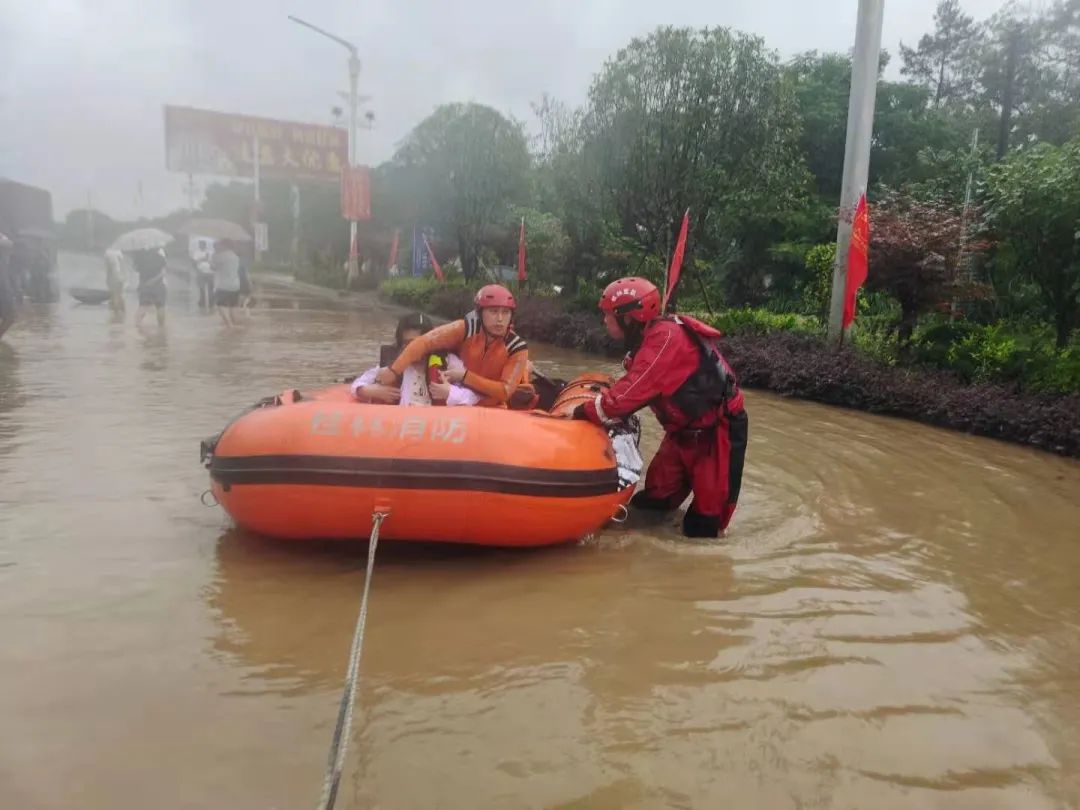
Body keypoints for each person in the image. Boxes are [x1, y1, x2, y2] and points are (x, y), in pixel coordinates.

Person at [570, 277, 749, 538]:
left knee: (705, 523)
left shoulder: (664, 341)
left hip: (717, 431)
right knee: (653, 500)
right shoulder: (648, 342)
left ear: (628, 318)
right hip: (682, 432)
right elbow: (634, 389)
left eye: (608, 315)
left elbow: (621, 400)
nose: (604, 321)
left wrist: (579, 412)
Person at [375, 284, 535, 409]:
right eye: (493, 311)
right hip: (457, 400)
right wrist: (393, 371)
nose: (500, 319)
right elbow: (423, 342)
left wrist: (465, 376)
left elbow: (504, 391)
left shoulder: (517, 348)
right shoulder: (463, 329)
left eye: (505, 312)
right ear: (480, 313)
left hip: (492, 406)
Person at [353, 312, 480, 406]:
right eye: (406, 343)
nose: (411, 349)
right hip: (402, 427)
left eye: (416, 343)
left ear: (430, 342)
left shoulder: (449, 362)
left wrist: (450, 392)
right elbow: (357, 385)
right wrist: (371, 391)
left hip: (436, 428)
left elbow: (476, 396)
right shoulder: (392, 366)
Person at [132, 247, 167, 328]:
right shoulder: (160, 257)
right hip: (158, 286)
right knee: (160, 306)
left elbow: (135, 269)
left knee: (142, 306)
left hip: (144, 285)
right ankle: (161, 329)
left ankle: (137, 327)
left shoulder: (139, 257)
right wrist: (154, 280)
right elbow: (163, 272)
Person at [211, 239, 241, 328]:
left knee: (220, 305)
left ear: (224, 245)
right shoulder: (235, 256)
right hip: (235, 284)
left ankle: (229, 324)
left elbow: (213, 267)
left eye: (220, 244)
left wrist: (213, 256)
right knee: (233, 305)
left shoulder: (219, 256)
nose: (219, 246)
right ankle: (235, 324)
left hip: (223, 285)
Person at [0, 235, 16, 340]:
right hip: (3, 290)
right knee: (10, 317)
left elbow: (8, 243)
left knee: (10, 317)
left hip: (5, 289)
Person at [104, 248, 126, 315]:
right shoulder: (119, 252)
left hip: (114, 278)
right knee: (120, 295)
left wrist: (107, 279)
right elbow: (122, 266)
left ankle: (116, 313)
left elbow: (109, 269)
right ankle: (122, 313)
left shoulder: (108, 253)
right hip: (120, 277)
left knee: (114, 295)